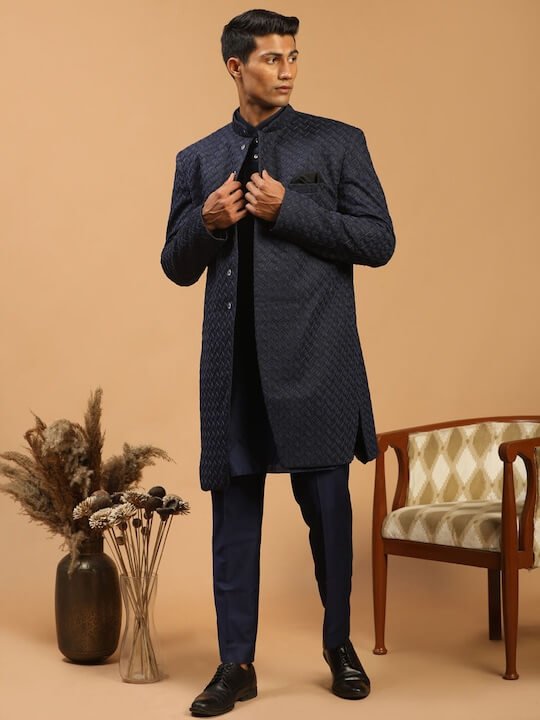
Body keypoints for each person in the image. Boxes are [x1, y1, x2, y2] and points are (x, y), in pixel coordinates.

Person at [161, 8, 396, 716]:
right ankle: (235, 665)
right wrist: (206, 223)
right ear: (236, 68)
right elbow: (174, 264)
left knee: (329, 515)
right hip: (232, 370)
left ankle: (339, 645)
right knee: (233, 521)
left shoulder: (338, 141)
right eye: (271, 58)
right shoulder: (198, 158)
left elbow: (379, 240)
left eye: (293, 56)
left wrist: (289, 208)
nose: (287, 70)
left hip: (317, 363)